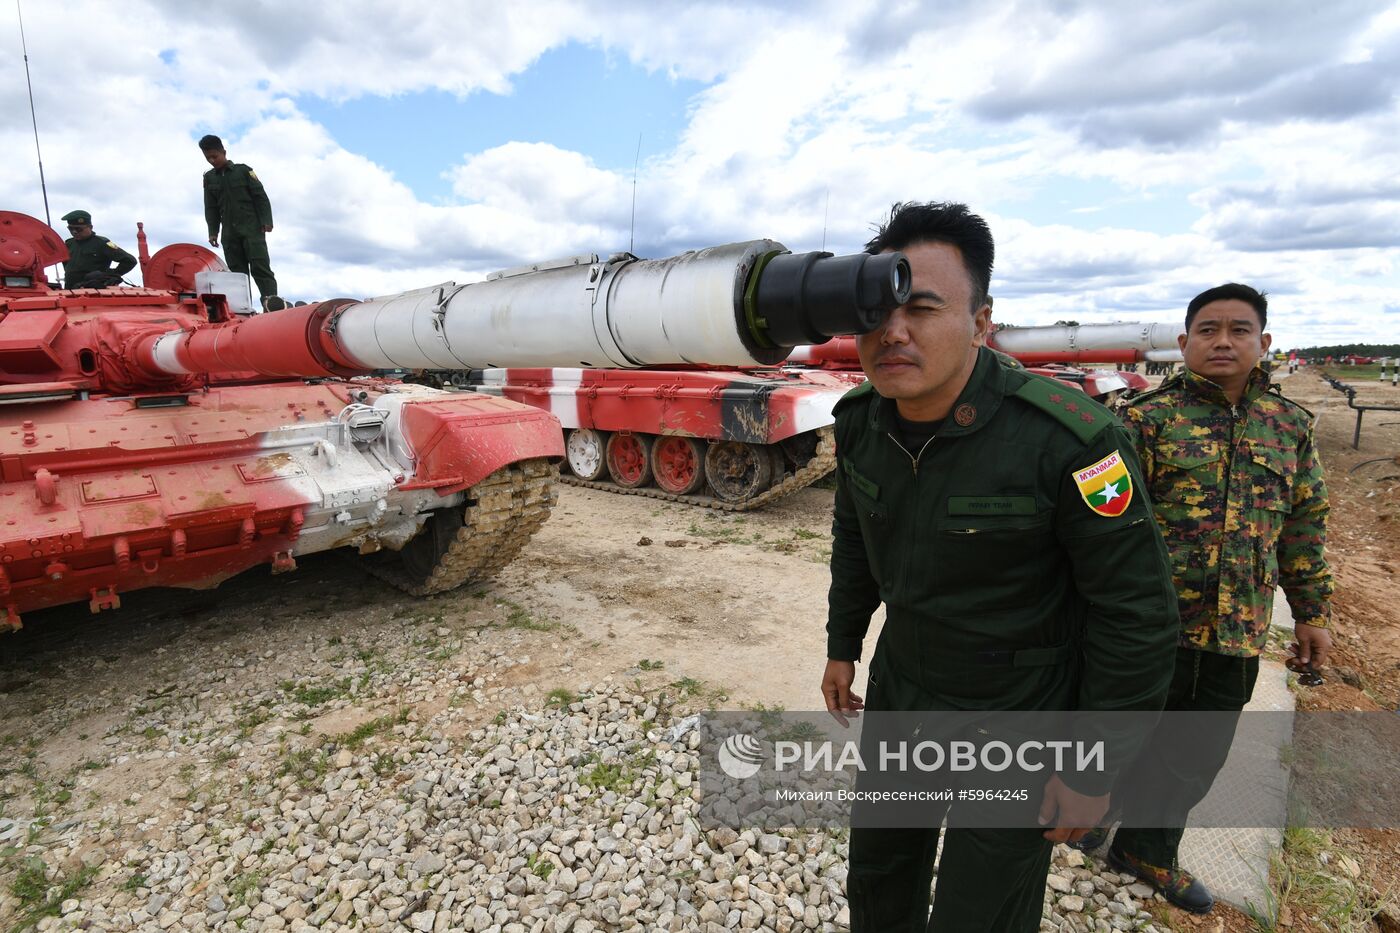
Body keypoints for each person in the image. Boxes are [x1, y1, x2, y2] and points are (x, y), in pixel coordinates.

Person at [821, 201, 1180, 932]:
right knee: (879, 875)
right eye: (875, 313)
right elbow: (855, 537)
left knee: (981, 906)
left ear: (981, 321)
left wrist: (1092, 766)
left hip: (1021, 711)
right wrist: (842, 643)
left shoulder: (1070, 440)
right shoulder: (862, 421)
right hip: (905, 689)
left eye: (922, 308)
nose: (893, 331)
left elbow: (1137, 614)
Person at [1078, 283, 1334, 913]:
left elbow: (1304, 525)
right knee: (1117, 731)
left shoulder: (1291, 427)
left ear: (1263, 342)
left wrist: (1311, 612)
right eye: (1208, 329)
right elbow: (1101, 527)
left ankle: (1147, 850)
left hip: (1236, 631)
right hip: (1148, 629)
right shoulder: (1142, 421)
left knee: (1193, 754)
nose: (1223, 341)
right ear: (1184, 341)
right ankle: (1087, 812)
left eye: (1239, 330)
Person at [199, 133, 280, 308]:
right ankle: (243, 309)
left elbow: (260, 197)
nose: (212, 160)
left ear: (224, 152)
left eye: (215, 156)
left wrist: (266, 220)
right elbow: (211, 208)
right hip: (229, 233)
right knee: (237, 275)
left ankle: (271, 304)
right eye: (208, 158)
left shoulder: (243, 171)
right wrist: (213, 231)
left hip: (252, 229)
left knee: (260, 266)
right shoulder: (209, 178)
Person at [58, 209, 136, 288]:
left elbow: (129, 261)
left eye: (79, 229)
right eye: (70, 229)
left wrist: (108, 275)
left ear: (90, 227)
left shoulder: (101, 243)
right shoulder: (69, 244)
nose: (74, 232)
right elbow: (66, 264)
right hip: (70, 289)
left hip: (92, 290)